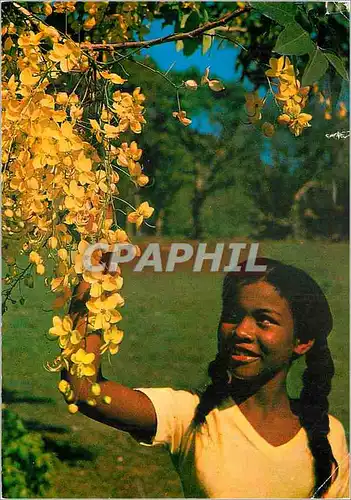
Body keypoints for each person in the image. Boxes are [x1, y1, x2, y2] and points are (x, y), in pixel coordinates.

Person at [63, 258, 349, 498]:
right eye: (233, 315)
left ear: (302, 341)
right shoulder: (190, 416)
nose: (242, 331)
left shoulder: (327, 433)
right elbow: (85, 391)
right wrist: (94, 279)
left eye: (264, 320)